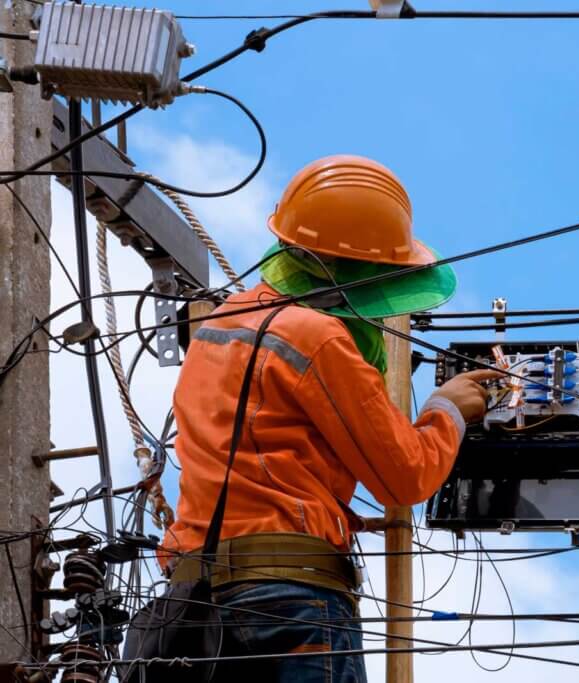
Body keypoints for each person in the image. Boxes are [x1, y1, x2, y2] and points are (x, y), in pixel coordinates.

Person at [158, 155, 498, 682]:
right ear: (351, 269)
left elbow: (257, 454)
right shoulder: (318, 339)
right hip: (290, 599)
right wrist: (447, 409)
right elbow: (404, 476)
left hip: (195, 605)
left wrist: (329, 509)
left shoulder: (216, 329)